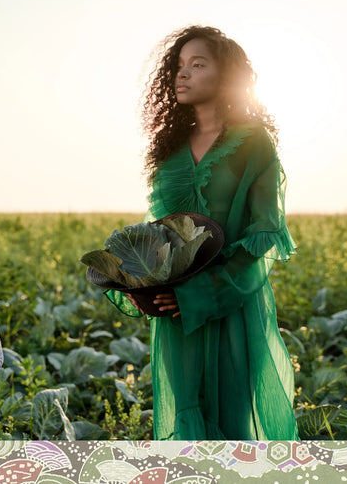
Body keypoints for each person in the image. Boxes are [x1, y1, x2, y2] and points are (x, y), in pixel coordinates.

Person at [106, 25, 299, 440]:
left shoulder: (252, 142)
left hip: (231, 300)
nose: (182, 74)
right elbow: (159, 230)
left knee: (232, 424)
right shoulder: (168, 147)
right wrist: (142, 281)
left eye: (197, 64)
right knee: (186, 420)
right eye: (178, 66)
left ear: (226, 75)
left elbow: (266, 231)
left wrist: (204, 291)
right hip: (174, 311)